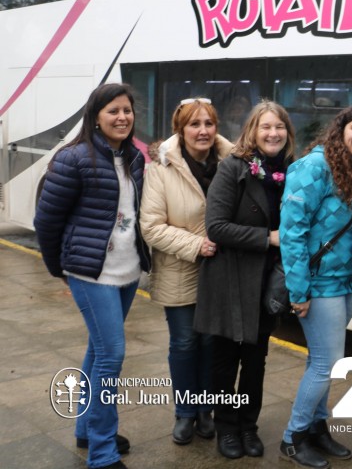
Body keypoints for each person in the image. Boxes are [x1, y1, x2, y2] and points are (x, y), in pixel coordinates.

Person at [34, 83, 150, 469]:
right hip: (91, 273)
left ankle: (87, 428)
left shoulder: (134, 157)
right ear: (96, 117)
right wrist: (59, 269)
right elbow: (46, 221)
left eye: (127, 111)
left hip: (128, 271)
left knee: (98, 351)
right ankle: (102, 452)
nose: (122, 117)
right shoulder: (74, 159)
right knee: (112, 356)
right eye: (113, 111)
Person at [194, 100, 296, 459]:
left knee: (256, 359)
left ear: (288, 132)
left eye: (279, 127)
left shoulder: (292, 171)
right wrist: (267, 238)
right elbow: (216, 227)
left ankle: (248, 426)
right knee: (225, 360)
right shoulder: (233, 168)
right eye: (266, 127)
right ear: (252, 131)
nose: (273, 133)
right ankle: (226, 427)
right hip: (230, 278)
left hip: (268, 281)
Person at [279, 106, 352, 469]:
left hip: (348, 279)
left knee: (318, 359)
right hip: (319, 283)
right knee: (327, 362)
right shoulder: (313, 167)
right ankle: (293, 438)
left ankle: (317, 429)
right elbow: (292, 233)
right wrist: (299, 291)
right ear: (340, 130)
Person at [139, 98, 233, 445]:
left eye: (209, 123)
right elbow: (151, 226)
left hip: (220, 272)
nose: (203, 131)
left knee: (211, 342)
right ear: (181, 129)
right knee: (184, 342)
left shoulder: (232, 162)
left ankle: (205, 409)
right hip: (181, 268)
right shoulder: (160, 170)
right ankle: (185, 412)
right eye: (194, 124)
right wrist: (197, 245)